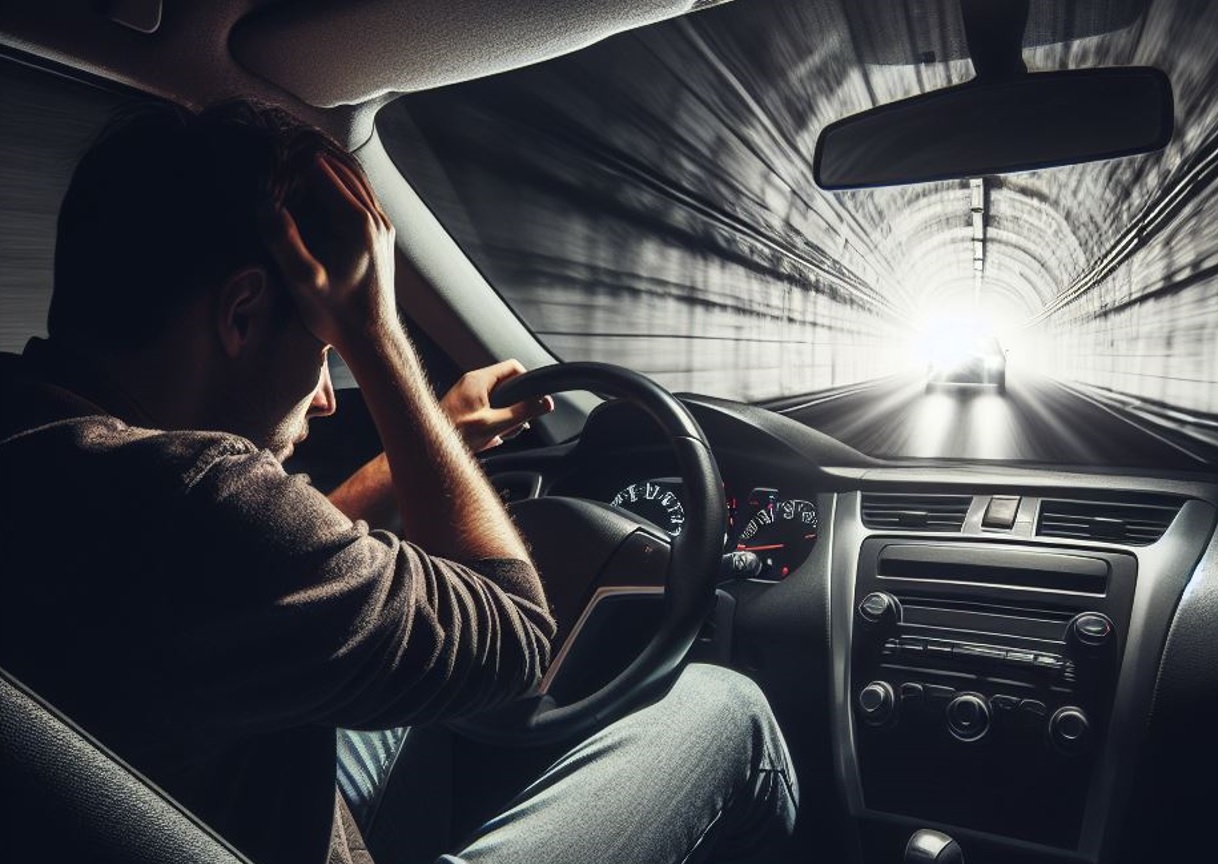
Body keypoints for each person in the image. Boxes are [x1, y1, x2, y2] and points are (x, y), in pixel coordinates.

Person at [0, 100, 797, 864]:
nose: (322, 396)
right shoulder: (194, 495)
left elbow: (280, 577)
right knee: (728, 710)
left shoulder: (47, 448)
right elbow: (516, 635)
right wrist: (378, 339)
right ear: (240, 314)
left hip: (198, 803)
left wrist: (438, 434)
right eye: (325, 350)